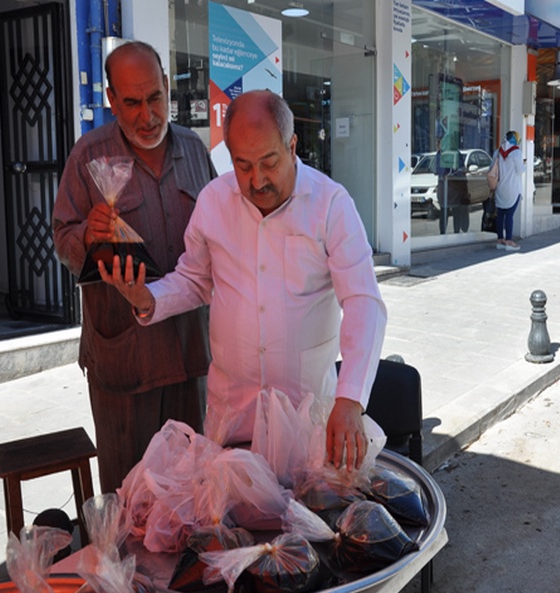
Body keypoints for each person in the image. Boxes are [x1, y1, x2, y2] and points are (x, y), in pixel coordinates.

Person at [98, 89, 387, 472]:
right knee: (230, 526)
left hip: (307, 417)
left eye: (269, 162)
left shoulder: (330, 204)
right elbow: (194, 279)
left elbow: (364, 301)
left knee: (309, 524)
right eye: (243, 165)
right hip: (232, 419)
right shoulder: (214, 201)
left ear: (293, 145)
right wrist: (148, 298)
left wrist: (350, 399)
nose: (257, 180)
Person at [52, 41, 217, 494]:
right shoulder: (88, 157)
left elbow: (224, 231)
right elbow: (62, 240)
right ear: (111, 100)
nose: (148, 116)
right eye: (132, 102)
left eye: (155, 98)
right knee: (131, 494)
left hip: (190, 353)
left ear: (167, 86)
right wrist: (88, 233)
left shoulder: (194, 150)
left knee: (193, 487)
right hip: (124, 359)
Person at [493, 130, 525, 251]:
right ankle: (509, 241)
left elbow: (493, 167)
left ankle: (500, 240)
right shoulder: (516, 152)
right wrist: (524, 164)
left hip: (500, 188)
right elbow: (520, 170)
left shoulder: (498, 152)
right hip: (513, 188)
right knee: (510, 215)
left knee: (500, 214)